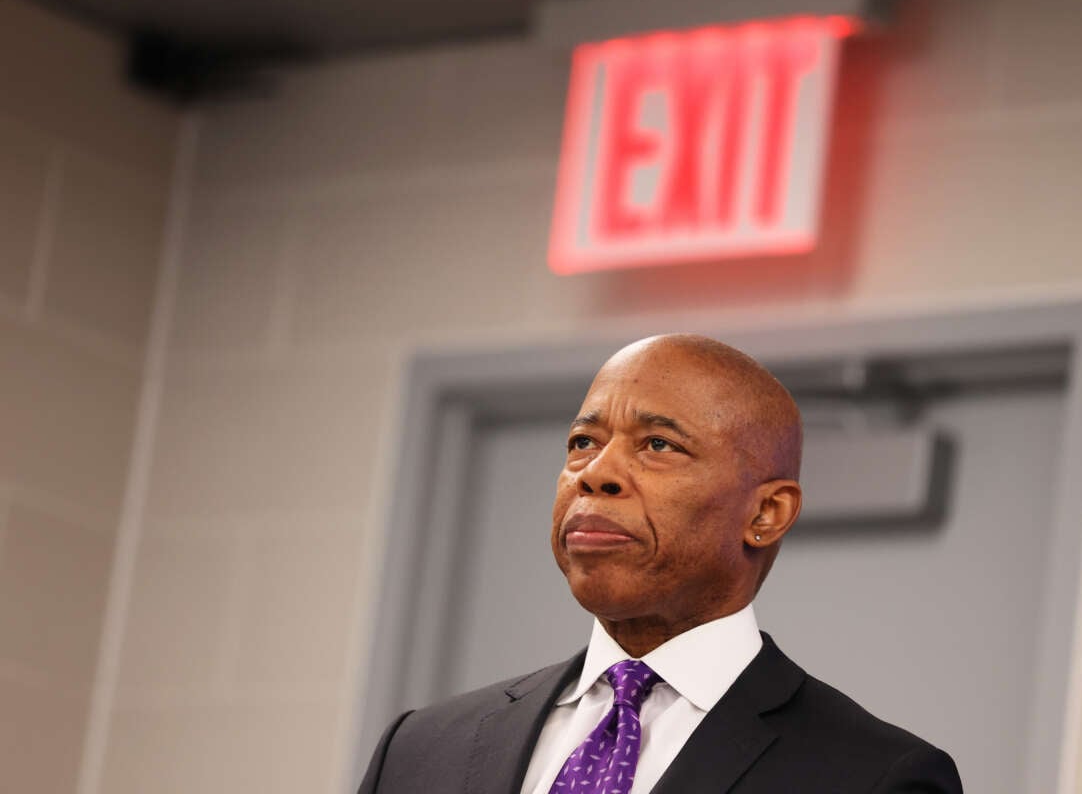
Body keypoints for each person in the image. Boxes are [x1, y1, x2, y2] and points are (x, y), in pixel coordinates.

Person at [358, 334, 962, 793]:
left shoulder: (876, 778)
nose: (595, 473)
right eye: (583, 443)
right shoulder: (419, 749)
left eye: (658, 445)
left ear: (768, 513)